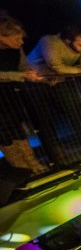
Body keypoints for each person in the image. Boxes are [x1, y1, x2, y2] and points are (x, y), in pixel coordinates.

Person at [0, 15, 47, 173]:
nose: (21, 43)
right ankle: (20, 168)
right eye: (16, 39)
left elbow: (23, 67)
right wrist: (19, 76)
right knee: (4, 133)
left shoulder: (16, 50)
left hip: (11, 93)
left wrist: (30, 73)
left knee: (18, 128)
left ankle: (32, 164)